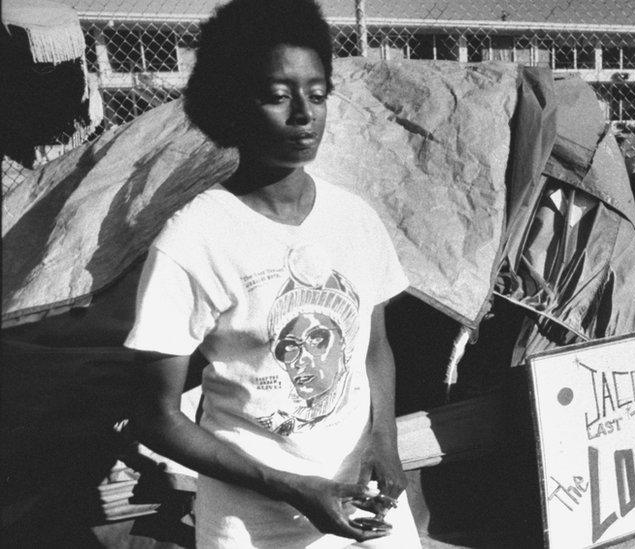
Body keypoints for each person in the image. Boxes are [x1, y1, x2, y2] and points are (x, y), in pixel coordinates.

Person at [123, 0, 420, 546]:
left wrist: (384, 442)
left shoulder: (355, 219)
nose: (304, 114)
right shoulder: (193, 240)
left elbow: (373, 346)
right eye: (278, 96)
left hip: (363, 501)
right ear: (233, 107)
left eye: (317, 93)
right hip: (253, 520)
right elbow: (155, 415)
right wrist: (290, 486)